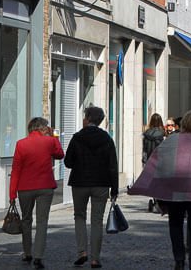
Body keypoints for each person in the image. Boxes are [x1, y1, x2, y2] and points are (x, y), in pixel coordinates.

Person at [133, 110, 191, 270]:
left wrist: (157, 185)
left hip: (175, 190)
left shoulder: (172, 140)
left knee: (176, 225)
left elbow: (158, 161)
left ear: (184, 123)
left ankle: (179, 260)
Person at [64, 106, 118, 269]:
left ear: (87, 118)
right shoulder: (107, 139)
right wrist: (114, 189)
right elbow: (113, 166)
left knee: (79, 216)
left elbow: (68, 162)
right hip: (101, 183)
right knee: (96, 220)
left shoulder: (77, 137)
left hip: (80, 183)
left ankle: (82, 252)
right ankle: (95, 258)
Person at [9, 116, 64, 267]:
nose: (48, 130)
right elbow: (60, 154)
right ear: (42, 128)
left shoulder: (21, 144)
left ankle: (27, 253)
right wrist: (55, 136)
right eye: (46, 128)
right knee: (42, 222)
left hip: (24, 188)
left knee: (26, 220)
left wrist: (12, 193)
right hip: (45, 187)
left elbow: (16, 170)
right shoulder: (50, 141)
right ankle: (38, 256)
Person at [142, 113, 166, 212]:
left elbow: (144, 150)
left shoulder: (146, 134)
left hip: (150, 161)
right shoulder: (162, 134)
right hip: (160, 162)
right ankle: (160, 202)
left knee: (152, 182)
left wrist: (144, 161)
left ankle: (155, 200)